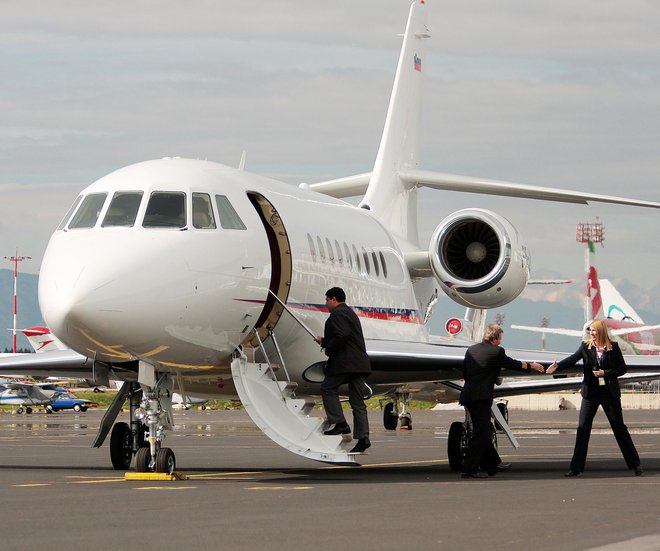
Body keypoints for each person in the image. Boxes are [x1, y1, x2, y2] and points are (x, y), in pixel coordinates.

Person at [547, 319, 642, 477]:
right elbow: (573, 359)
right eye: (590, 330)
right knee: (583, 428)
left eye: (594, 330)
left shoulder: (614, 347)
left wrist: (606, 373)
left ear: (601, 331)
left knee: (619, 428)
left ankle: (635, 464)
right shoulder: (586, 346)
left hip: (609, 394)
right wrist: (557, 366)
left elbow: (622, 369)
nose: (591, 332)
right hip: (590, 393)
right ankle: (575, 468)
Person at [460, 324, 545, 479]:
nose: (501, 342)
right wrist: (531, 366)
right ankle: (469, 468)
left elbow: (465, 373)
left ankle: (492, 464)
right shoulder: (497, 351)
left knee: (483, 430)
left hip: (469, 395)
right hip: (481, 397)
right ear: (496, 338)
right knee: (480, 432)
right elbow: (512, 363)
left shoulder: (471, 350)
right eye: (500, 338)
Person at [314, 287, 372, 453]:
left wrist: (328, 349)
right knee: (357, 403)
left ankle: (340, 423)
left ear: (333, 299)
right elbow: (346, 335)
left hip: (346, 363)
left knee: (328, 388)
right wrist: (324, 341)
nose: (326, 304)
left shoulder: (337, 314)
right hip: (359, 364)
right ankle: (363, 438)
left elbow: (341, 335)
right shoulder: (349, 313)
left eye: (326, 300)